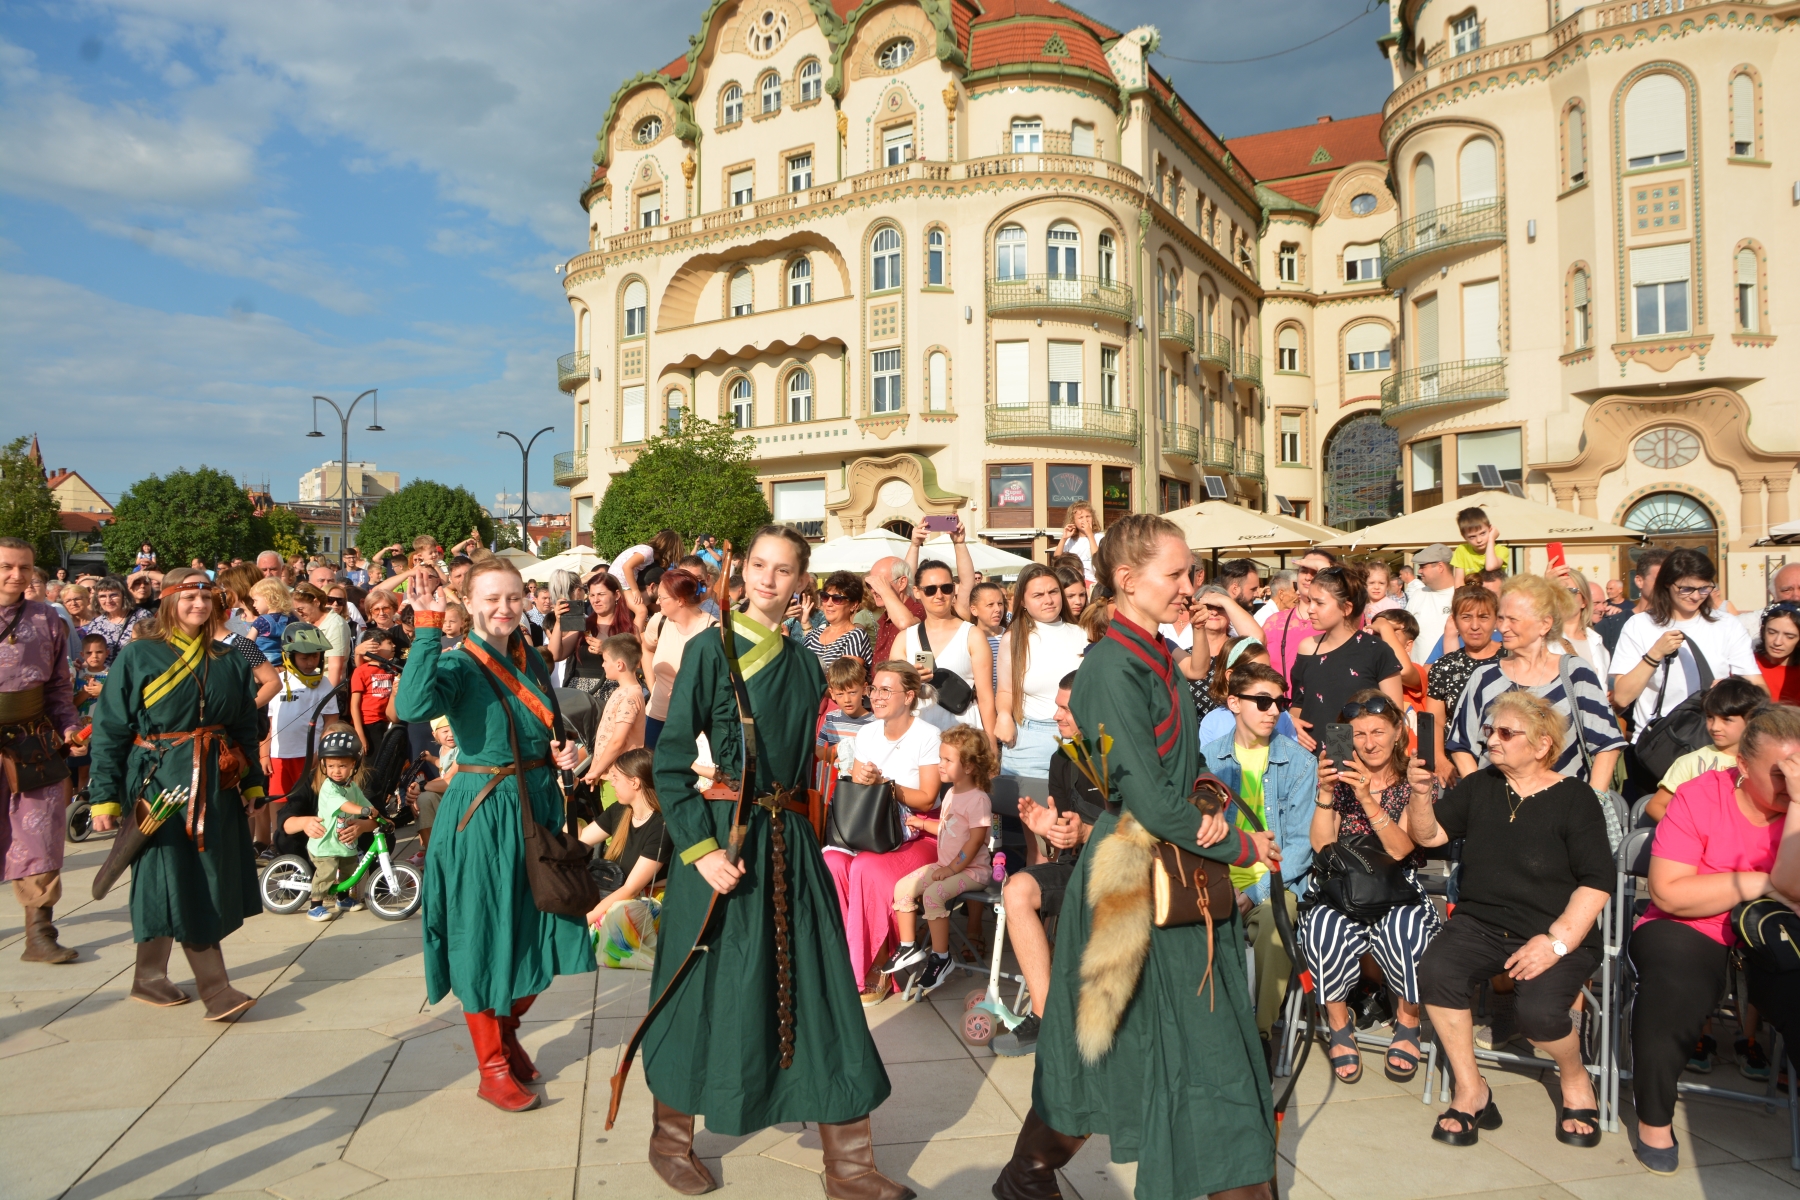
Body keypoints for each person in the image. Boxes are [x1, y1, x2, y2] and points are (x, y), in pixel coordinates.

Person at [994, 513, 1278, 1200]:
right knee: (1126, 1047)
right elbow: (1148, 800)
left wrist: (1204, 641)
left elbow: (1170, 758)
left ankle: (1028, 1175)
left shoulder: (1149, 651)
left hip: (1169, 868)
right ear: (1128, 580)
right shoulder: (1113, 668)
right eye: (1177, 574)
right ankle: (1029, 1174)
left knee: (1189, 1050)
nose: (1191, 585)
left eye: (1191, 572)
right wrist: (1244, 843)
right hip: (1135, 878)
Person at [640, 525, 906, 1199]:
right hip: (726, 847)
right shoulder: (709, 649)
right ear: (741, 572)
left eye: (783, 570)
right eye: (758, 565)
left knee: (821, 995)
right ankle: (669, 1138)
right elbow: (670, 765)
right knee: (698, 992)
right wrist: (700, 854)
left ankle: (848, 1167)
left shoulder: (802, 661)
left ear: (800, 583)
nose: (767, 578)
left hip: (792, 848)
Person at [393, 557, 590, 1114]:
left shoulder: (529, 659)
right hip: (482, 813)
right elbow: (409, 706)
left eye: (513, 597)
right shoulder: (456, 664)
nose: (504, 608)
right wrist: (427, 626)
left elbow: (548, 729)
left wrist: (565, 752)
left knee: (546, 927)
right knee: (483, 934)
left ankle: (504, 1033)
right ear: (470, 603)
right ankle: (492, 1066)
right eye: (491, 599)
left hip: (537, 805)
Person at [1405, 690, 1612, 1148]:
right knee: (1437, 970)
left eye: (1505, 733)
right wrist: (1420, 796)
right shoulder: (1481, 785)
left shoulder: (1575, 797)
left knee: (1538, 1015)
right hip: (1480, 924)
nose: (1491, 741)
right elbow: (1430, 835)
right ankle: (1471, 1089)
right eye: (1488, 731)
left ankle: (1574, 1075)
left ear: (1541, 745)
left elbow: (1597, 881)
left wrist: (1555, 942)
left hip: (1553, 930)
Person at [86, 567, 269, 1015]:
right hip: (161, 780)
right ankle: (216, 989)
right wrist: (103, 798)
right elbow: (109, 729)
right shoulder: (140, 655)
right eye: (189, 597)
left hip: (217, 781)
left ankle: (148, 976)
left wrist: (250, 783)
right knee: (182, 876)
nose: (199, 606)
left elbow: (245, 724)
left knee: (180, 876)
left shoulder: (228, 658)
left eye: (207, 598)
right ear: (169, 601)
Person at [1628, 704, 1800, 1175]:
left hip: (1778, 931)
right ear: (1742, 765)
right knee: (1673, 983)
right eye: (1781, 773)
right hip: (1691, 924)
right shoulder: (1701, 795)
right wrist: (1762, 881)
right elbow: (1671, 892)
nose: (1791, 783)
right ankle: (1655, 1120)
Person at [1304, 690, 1443, 1084]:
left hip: (1398, 886)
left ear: (1399, 732)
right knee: (1321, 928)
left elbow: (1403, 850)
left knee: (1406, 931)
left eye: (1378, 732)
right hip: (1345, 886)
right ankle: (1339, 1024)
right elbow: (1320, 845)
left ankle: (1407, 1020)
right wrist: (1328, 792)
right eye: (1359, 733)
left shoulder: (1415, 780)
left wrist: (1366, 798)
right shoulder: (1340, 779)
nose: (1368, 743)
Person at [1201, 660, 1317, 1044]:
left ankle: (1260, 1036)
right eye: (1262, 702)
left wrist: (1252, 894)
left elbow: (1300, 845)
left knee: (1275, 927)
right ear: (1234, 703)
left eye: (1279, 703)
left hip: (1274, 884)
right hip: (1215, 879)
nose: (1274, 712)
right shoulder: (1208, 759)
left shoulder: (1299, 761)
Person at [995, 673, 1100, 1057]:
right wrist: (1047, 830)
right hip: (1076, 867)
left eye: (1065, 708)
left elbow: (1143, 825)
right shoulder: (1063, 758)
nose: (1056, 716)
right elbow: (1064, 834)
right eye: (1056, 706)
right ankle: (1044, 1014)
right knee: (1017, 888)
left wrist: (1087, 833)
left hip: (1124, 871)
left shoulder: (1123, 756)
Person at [1445, 574, 1624, 794]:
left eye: (1513, 619)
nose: (1503, 627)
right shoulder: (1484, 677)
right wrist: (1481, 794)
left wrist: (1594, 800)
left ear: (1545, 624)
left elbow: (1607, 744)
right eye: (1500, 618)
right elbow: (1461, 744)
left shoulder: (1576, 673)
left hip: (1563, 809)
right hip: (1498, 809)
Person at [834, 661, 945, 1000]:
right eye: (874, 688)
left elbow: (927, 799)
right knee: (834, 863)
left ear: (909, 696)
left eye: (885, 689)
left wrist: (886, 785)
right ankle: (844, 960)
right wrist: (864, 780)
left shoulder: (928, 735)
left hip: (919, 831)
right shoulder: (867, 732)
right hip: (873, 828)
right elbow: (856, 788)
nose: (876, 696)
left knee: (866, 867)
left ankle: (878, 963)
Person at [0, 538, 83, 963]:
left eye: (25, 568)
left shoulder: (49, 619)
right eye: (7, 567)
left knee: (41, 833)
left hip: (33, 739)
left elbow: (58, 686)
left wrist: (69, 728)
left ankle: (39, 933)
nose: (17, 576)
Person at [885, 726, 995, 995]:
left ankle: (941, 957)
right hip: (947, 867)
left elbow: (975, 840)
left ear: (968, 766)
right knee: (902, 888)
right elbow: (949, 829)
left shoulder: (979, 800)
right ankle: (909, 946)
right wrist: (922, 824)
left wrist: (951, 868)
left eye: (947, 760)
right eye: (940, 758)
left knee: (933, 894)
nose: (940, 764)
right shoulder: (951, 793)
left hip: (973, 871)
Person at [1613, 549, 1764, 743]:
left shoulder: (1727, 625)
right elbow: (1622, 698)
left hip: (1713, 742)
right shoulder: (1639, 625)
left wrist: (1731, 689)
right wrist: (1654, 654)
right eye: (1686, 589)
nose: (1695, 596)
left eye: (1704, 588)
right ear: (1667, 583)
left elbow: (1760, 691)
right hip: (1659, 744)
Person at [1289, 565, 1404, 752]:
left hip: (1359, 759)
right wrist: (1293, 721)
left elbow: (1395, 716)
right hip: (1309, 760)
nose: (1310, 609)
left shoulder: (1376, 650)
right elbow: (1299, 702)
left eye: (1319, 603)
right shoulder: (1307, 647)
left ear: (1346, 608)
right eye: (1310, 601)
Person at [580, 747, 673, 971]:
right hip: (619, 896)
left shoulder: (661, 826)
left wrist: (586, 919)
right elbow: (580, 841)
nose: (611, 784)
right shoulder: (620, 811)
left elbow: (631, 889)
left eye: (615, 778)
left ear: (635, 782)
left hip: (652, 901)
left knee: (618, 914)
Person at [993, 564, 1085, 779]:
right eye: (1038, 595)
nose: (1048, 600)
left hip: (1078, 739)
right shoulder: (1013, 638)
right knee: (1026, 811)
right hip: (1029, 741)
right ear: (1023, 602)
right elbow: (1005, 690)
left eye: (1053, 592)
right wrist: (1004, 716)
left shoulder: (1082, 633)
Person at [259, 622, 338, 857]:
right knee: (279, 800)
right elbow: (268, 723)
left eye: (315, 656)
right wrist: (264, 754)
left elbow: (332, 722)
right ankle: (278, 843)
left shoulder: (324, 683)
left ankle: (311, 843)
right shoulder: (276, 682)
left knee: (311, 799)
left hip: (311, 756)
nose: (311, 662)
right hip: (279, 755)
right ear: (289, 656)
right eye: (304, 657)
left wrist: (321, 753)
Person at [1642, 676, 1767, 823]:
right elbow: (1655, 806)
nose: (1715, 727)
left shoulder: (1764, 761)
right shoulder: (1690, 761)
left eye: (1726, 719)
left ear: (1751, 720)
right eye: (1710, 717)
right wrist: (1686, 831)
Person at [896, 557, 996, 736]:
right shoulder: (905, 638)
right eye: (930, 590)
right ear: (917, 592)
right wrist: (909, 680)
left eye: (946, 588)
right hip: (918, 736)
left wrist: (990, 743)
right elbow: (893, 693)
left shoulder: (972, 635)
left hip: (963, 736)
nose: (939, 595)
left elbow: (986, 697)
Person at [1424, 586, 1501, 782]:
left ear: (1496, 620)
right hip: (1455, 770)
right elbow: (1435, 720)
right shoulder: (1444, 666)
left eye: (1483, 617)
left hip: (1504, 766)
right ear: (1455, 621)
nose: (1475, 626)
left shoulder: (1511, 659)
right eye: (1466, 617)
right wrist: (1440, 760)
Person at [303, 725, 374, 921]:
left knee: (350, 868)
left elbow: (364, 802)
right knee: (327, 870)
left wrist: (377, 815)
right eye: (331, 766)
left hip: (342, 842)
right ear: (324, 765)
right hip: (326, 843)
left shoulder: (351, 786)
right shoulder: (328, 787)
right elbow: (345, 804)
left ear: (353, 765)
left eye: (342, 766)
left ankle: (342, 898)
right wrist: (363, 811)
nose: (336, 771)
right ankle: (315, 905)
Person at [642, 567, 716, 750]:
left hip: (695, 722)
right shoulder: (659, 622)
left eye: (663, 597)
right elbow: (646, 648)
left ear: (681, 600)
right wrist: (652, 686)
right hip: (656, 715)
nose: (658, 602)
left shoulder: (713, 630)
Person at [580, 635, 647, 791]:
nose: (602, 665)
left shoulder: (629, 697)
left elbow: (617, 741)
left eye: (604, 661)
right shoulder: (621, 691)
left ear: (619, 665)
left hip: (619, 777)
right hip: (608, 773)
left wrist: (596, 770)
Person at [1263, 548, 1335, 686]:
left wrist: (1327, 573)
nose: (1308, 577)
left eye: (1316, 571)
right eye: (1304, 570)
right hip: (1282, 703)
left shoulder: (1342, 620)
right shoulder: (1274, 622)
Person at [1593, 547, 1670, 655]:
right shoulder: (1610, 627)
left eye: (1671, 580)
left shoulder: (1681, 623)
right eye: (1659, 580)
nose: (1666, 585)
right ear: (1639, 581)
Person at [806, 571, 872, 673]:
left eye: (837, 599)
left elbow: (845, 680)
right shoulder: (812, 635)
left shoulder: (856, 636)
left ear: (854, 605)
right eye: (825, 597)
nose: (828, 603)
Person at [1404, 544, 1459, 665]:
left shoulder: (1461, 596)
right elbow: (1405, 631)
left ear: (1440, 567)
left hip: (1450, 676)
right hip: (1418, 677)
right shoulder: (1418, 595)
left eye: (1423, 566)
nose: (1419, 571)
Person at [350, 629, 399, 755]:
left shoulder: (393, 670)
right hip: (368, 725)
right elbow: (354, 705)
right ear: (374, 647)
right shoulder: (361, 671)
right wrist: (360, 734)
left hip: (387, 722)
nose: (394, 646)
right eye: (389, 642)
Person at [82, 576, 147, 665]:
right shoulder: (96, 624)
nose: (108, 601)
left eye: (113, 595)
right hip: (105, 677)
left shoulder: (141, 616)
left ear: (124, 596)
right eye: (103, 596)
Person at [1755, 601, 1800, 703]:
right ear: (1763, 630)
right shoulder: (1747, 663)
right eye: (1771, 632)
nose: (1777, 642)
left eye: (1789, 636)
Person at [1450, 507, 1507, 582]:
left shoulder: (1501, 550)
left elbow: (1490, 567)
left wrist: (1491, 540)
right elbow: (1459, 580)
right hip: (1469, 593)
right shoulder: (1462, 550)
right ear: (1464, 536)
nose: (1479, 540)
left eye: (1483, 533)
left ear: (1490, 529)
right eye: (1472, 536)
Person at [1058, 499, 1104, 584]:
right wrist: (1063, 538)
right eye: (1080, 517)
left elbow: (1097, 560)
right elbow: (1057, 560)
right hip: (1075, 582)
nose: (1085, 520)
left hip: (1095, 582)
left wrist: (1090, 534)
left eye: (1088, 516)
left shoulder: (1099, 538)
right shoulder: (1070, 540)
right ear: (1073, 521)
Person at [248, 578, 294, 662]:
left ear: (268, 598)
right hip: (286, 662)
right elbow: (305, 626)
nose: (254, 605)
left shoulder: (261, 621)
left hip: (264, 664)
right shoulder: (290, 618)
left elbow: (248, 644)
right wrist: (293, 610)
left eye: (255, 600)